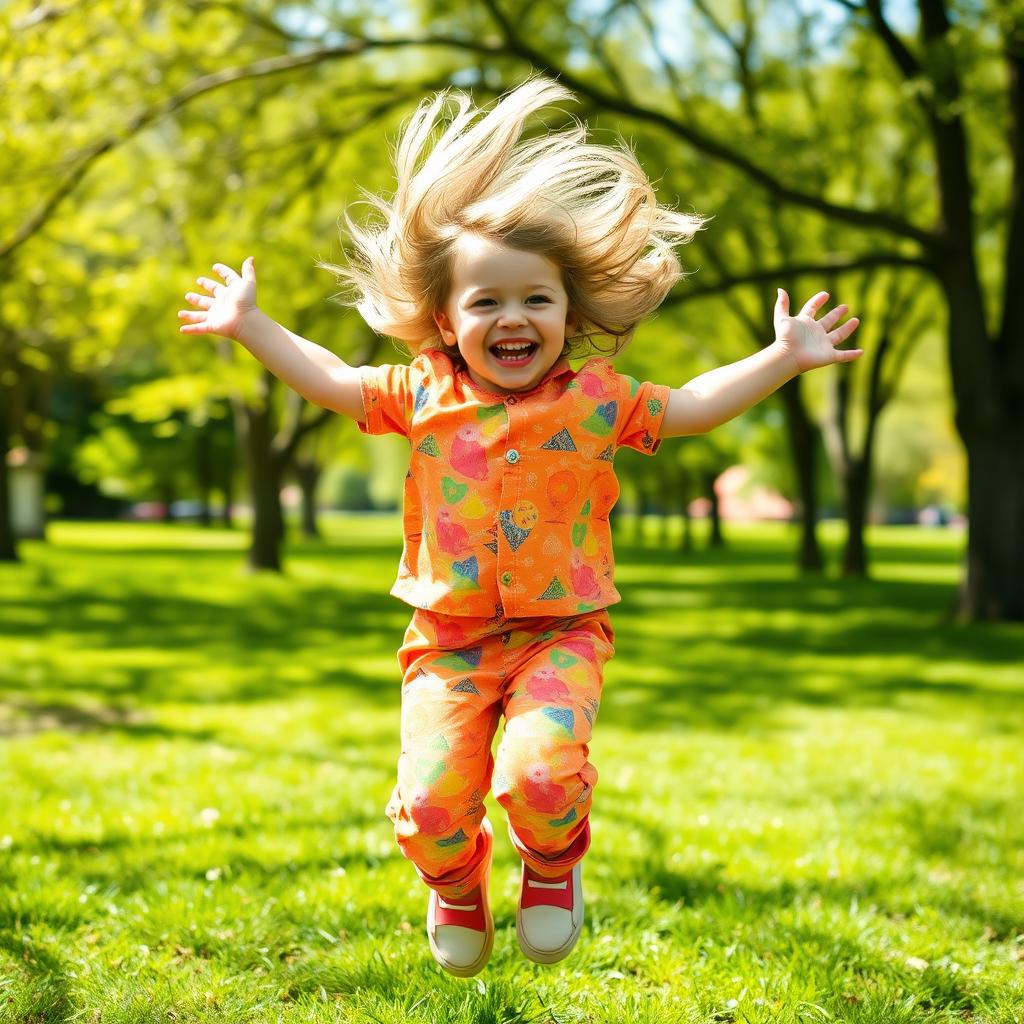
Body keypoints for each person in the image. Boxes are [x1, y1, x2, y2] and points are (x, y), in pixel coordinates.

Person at [178, 77, 861, 978]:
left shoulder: (594, 402)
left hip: (560, 633)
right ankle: (457, 883)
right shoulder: (420, 392)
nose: (513, 318)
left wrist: (782, 357)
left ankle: (552, 866)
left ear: (570, 315)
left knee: (539, 778)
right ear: (445, 323)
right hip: (449, 637)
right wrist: (254, 326)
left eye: (535, 300)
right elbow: (332, 378)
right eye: (486, 302)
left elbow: (692, 406)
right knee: (430, 802)